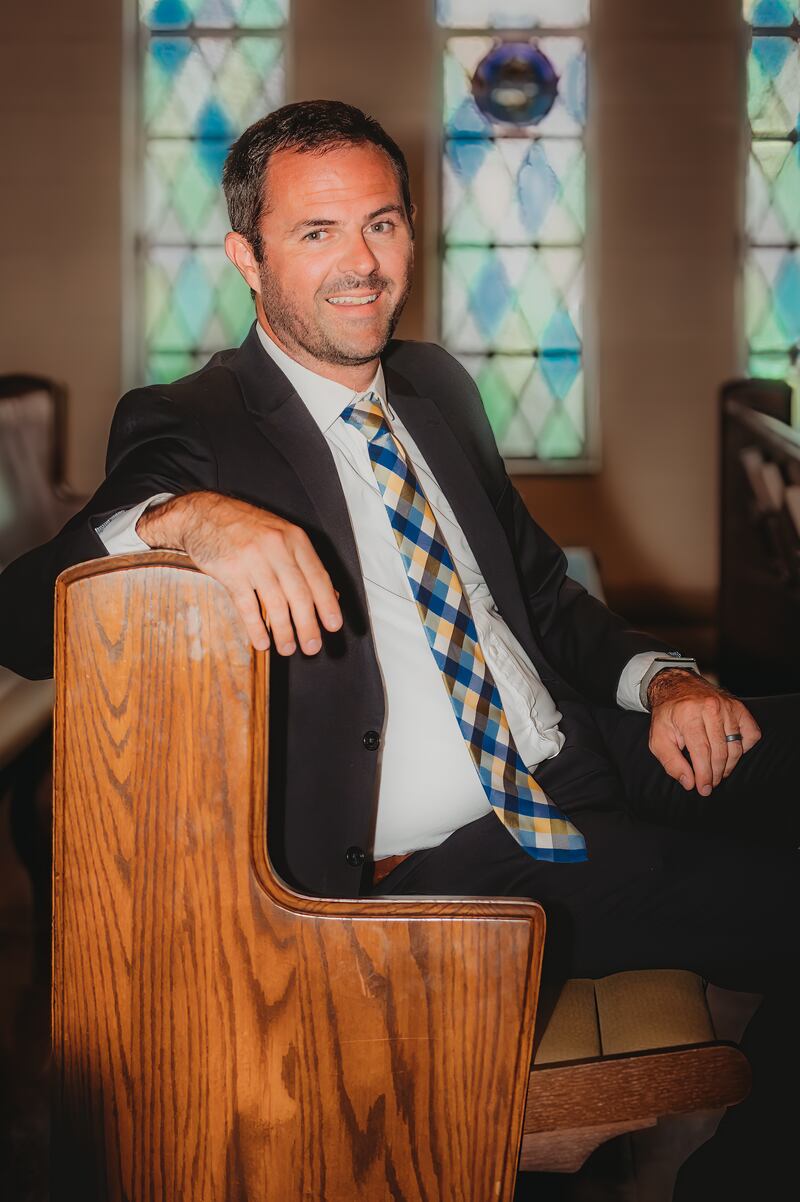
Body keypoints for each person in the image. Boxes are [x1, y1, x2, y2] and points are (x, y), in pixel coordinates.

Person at [0, 100, 796, 1198]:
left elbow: (540, 595)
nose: (360, 265)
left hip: (586, 749)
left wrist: (659, 676)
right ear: (246, 254)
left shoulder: (435, 385)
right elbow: (21, 616)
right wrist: (178, 518)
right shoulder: (194, 421)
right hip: (461, 859)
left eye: (380, 224)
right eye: (315, 232)